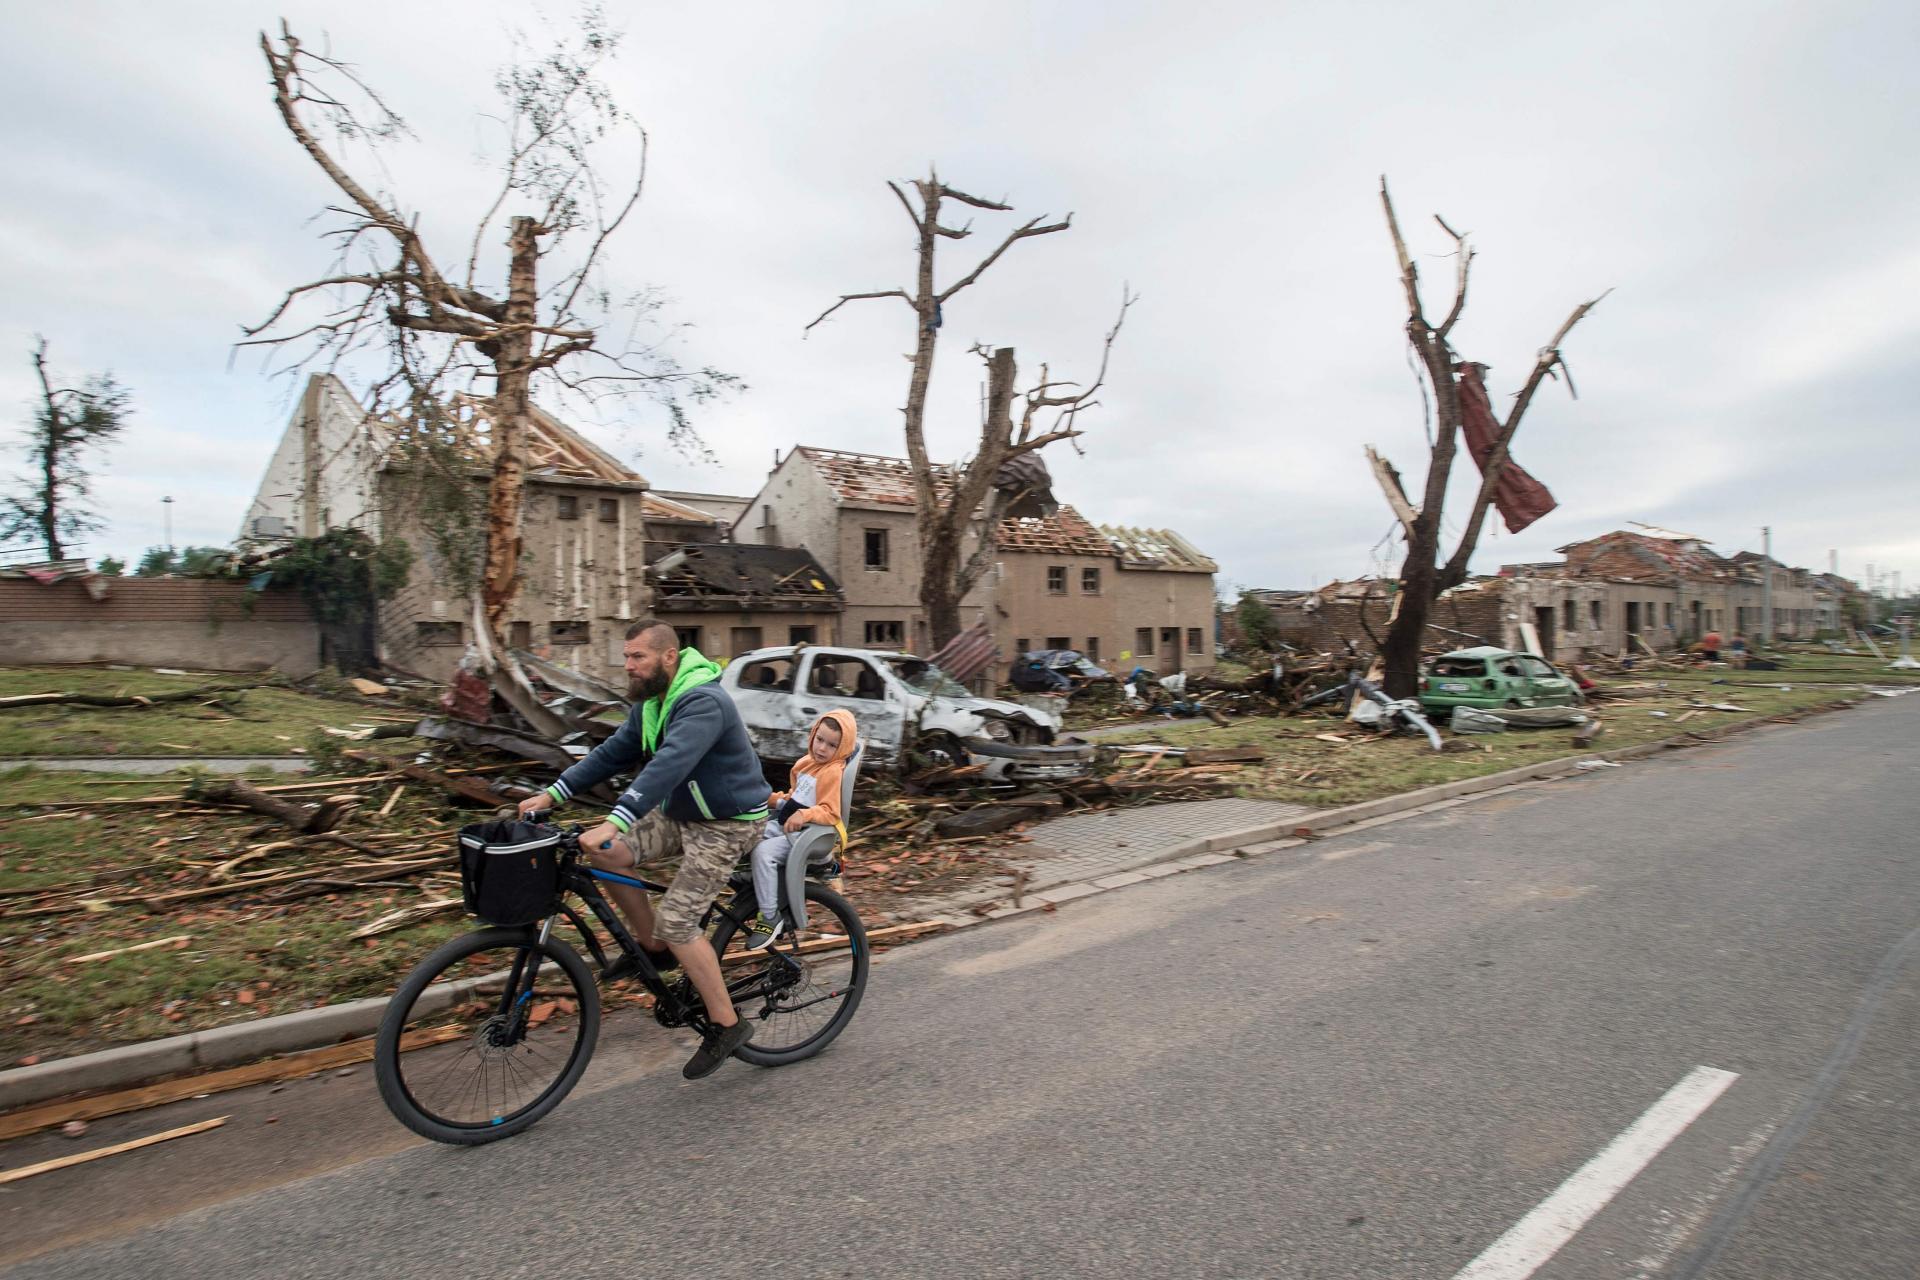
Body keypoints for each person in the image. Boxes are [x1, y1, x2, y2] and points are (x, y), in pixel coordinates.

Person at [518, 620, 771, 1080]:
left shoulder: (703, 702)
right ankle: (653, 949)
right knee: (608, 852)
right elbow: (611, 752)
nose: (629, 666)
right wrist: (553, 794)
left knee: (678, 920)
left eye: (638, 657)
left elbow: (669, 765)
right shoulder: (653, 704)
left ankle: (726, 1024)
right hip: (684, 813)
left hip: (728, 823)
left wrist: (616, 818)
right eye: (627, 657)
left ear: (669, 657)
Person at [744, 710, 859, 951]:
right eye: (820, 739)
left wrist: (803, 814)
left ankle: (769, 916)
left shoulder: (831, 771)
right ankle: (753, 888)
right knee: (746, 833)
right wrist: (773, 800)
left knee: (763, 853)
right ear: (813, 733)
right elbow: (798, 797)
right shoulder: (808, 764)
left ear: (842, 748)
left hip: (808, 835)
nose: (822, 748)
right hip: (788, 827)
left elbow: (829, 811)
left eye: (832, 745)